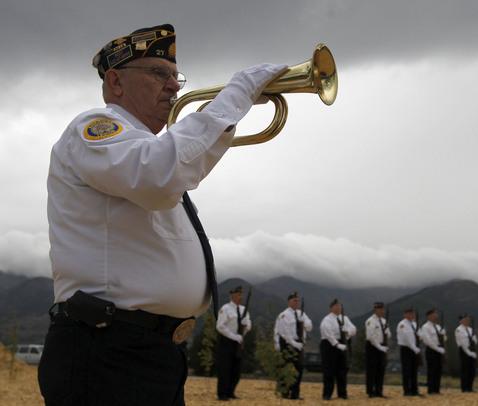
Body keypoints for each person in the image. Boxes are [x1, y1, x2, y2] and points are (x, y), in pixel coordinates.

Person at [37, 23, 287, 406]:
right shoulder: (94, 128)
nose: (174, 86)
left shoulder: (146, 147)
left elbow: (166, 172)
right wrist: (234, 96)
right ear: (116, 82)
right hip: (107, 349)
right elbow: (157, 176)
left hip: (153, 350)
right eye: (158, 73)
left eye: (176, 76)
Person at [216, 286, 251, 401]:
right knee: (225, 369)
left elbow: (249, 327)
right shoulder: (225, 308)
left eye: (241, 295)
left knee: (236, 369)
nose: (241, 297)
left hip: (239, 342)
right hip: (227, 341)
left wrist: (246, 325)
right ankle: (222, 394)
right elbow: (220, 326)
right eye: (239, 295)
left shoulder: (243, 309)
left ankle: (231, 391)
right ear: (232, 296)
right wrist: (233, 336)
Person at [275, 292, 313, 400]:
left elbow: (310, 326)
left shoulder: (302, 314)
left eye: (298, 301)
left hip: (299, 343)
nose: (297, 303)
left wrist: (304, 323)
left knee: (298, 369)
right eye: (294, 300)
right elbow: (284, 332)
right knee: (286, 368)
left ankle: (295, 393)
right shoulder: (284, 315)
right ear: (289, 302)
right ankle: (285, 392)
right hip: (288, 344)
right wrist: (293, 343)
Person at [319, 298, 357, 400]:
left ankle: (342, 393)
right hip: (330, 346)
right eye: (336, 306)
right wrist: (336, 344)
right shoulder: (327, 320)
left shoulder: (345, 318)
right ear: (331, 308)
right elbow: (328, 334)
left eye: (339, 306)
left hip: (344, 343)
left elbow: (353, 329)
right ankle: (327, 394)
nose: (338, 308)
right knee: (329, 371)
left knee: (342, 370)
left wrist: (347, 331)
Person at [365, 302, 391, 398]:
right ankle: (370, 391)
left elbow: (388, 334)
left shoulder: (384, 321)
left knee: (381, 369)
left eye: (382, 310)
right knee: (372, 369)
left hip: (382, 345)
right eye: (379, 310)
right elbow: (371, 336)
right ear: (375, 310)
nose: (381, 311)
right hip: (372, 346)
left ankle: (379, 391)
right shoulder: (370, 321)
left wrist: (387, 334)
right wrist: (378, 346)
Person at [396, 308, 422, 397]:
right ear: (405, 314)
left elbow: (420, 334)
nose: (412, 315)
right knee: (407, 370)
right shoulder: (402, 324)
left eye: (412, 313)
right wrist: (414, 348)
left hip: (414, 348)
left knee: (414, 370)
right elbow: (406, 339)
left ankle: (414, 389)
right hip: (406, 349)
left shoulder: (414, 324)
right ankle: (407, 390)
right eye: (410, 313)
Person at [421, 309, 447, 395]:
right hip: (431, 350)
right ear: (429, 316)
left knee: (438, 370)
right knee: (432, 370)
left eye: (436, 315)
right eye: (434, 315)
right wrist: (436, 348)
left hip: (439, 349)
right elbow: (428, 340)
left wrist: (444, 335)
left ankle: (437, 389)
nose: (436, 316)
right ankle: (431, 389)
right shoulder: (426, 327)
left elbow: (444, 339)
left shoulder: (438, 327)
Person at [455, 313, 478, 392]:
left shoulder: (470, 329)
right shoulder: (459, 330)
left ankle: (470, 386)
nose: (467, 321)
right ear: (461, 321)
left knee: (471, 369)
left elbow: (474, 341)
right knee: (465, 369)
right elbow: (463, 342)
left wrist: (474, 340)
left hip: (471, 349)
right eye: (465, 320)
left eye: (467, 320)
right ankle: (464, 387)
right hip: (464, 350)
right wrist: (468, 352)